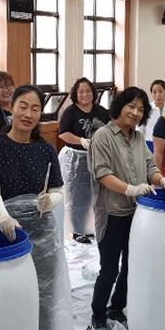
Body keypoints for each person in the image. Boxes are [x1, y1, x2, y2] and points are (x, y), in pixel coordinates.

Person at [0, 84, 76, 330]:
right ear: (11, 107)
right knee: (7, 296)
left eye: (35, 108)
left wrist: (51, 200)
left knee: (44, 296)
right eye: (23, 106)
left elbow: (58, 188)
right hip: (5, 232)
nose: (28, 114)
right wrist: (2, 216)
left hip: (42, 231)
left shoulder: (45, 148)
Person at [87, 87, 165, 330]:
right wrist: (129, 188)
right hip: (112, 213)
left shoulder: (139, 138)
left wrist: (163, 182)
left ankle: (117, 309)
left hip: (138, 214)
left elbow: (151, 167)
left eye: (141, 110)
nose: (136, 113)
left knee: (131, 265)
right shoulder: (103, 136)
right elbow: (102, 173)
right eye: (131, 107)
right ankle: (97, 315)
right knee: (109, 268)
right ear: (120, 106)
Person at [58, 77, 111, 244]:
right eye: (81, 91)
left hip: (97, 157)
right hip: (76, 158)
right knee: (77, 195)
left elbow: (110, 130)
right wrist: (81, 141)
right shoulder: (70, 111)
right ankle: (77, 230)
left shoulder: (101, 111)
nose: (85, 94)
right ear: (76, 93)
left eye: (88, 91)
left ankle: (91, 228)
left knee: (97, 194)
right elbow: (63, 133)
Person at [138, 79, 165, 151]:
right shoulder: (146, 109)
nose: (158, 95)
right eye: (154, 92)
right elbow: (140, 129)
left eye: (160, 91)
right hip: (149, 144)